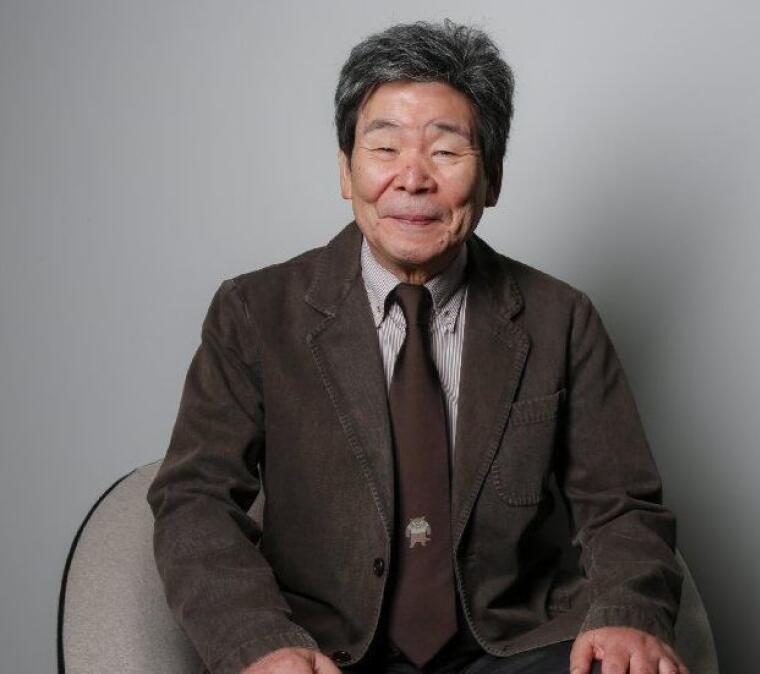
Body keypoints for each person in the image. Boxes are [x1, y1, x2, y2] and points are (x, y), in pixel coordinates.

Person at [146, 19, 687, 674]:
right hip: (323, 651)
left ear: (492, 180)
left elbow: (623, 507)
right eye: (384, 149)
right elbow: (195, 500)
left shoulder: (560, 318)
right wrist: (259, 642)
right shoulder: (255, 314)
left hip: (512, 646)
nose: (412, 178)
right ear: (346, 171)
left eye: (446, 151)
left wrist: (628, 615)